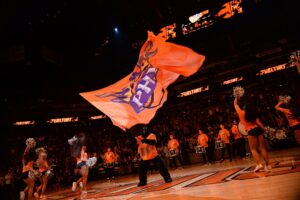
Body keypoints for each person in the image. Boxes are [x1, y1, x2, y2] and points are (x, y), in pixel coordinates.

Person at [234, 97, 271, 172]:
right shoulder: (252, 113)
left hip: (251, 131)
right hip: (258, 129)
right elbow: (259, 123)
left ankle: (259, 164)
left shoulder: (241, 113)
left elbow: (235, 104)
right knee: (262, 148)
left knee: (253, 149)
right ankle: (268, 165)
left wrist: (236, 99)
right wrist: (265, 129)